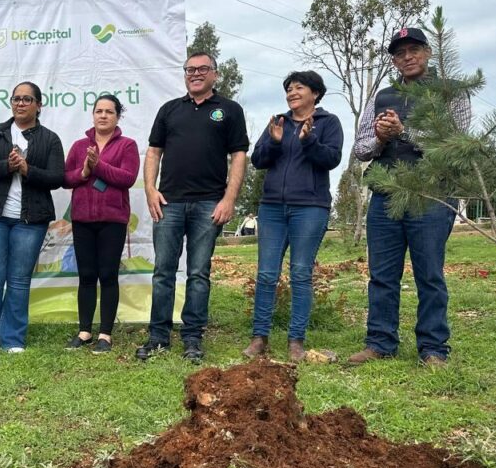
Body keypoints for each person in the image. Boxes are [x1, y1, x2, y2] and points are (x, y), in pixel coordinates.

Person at [349, 27, 471, 367]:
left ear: (429, 52)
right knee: (381, 275)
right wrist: (381, 139)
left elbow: (456, 144)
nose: (407, 56)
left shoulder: (450, 94)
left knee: (429, 274)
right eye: (400, 52)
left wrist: (407, 133)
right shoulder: (381, 96)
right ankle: (380, 342)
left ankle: (433, 349)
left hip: (431, 196)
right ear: (394, 59)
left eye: (414, 49)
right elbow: (360, 148)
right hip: (385, 196)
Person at [138, 52, 249, 363]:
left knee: (199, 273)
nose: (195, 74)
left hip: (208, 204)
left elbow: (238, 155)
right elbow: (153, 152)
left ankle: (192, 338)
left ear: (214, 74)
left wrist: (229, 199)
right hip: (169, 204)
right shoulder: (169, 110)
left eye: (203, 69)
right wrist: (150, 190)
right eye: (190, 69)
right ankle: (158, 336)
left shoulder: (229, 110)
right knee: (163, 272)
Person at [243, 71, 343, 362]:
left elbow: (331, 159)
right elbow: (258, 160)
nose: (292, 92)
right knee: (265, 274)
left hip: (310, 208)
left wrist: (309, 141)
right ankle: (259, 337)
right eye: (288, 88)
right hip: (272, 207)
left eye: (299, 87)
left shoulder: (329, 123)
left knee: (300, 273)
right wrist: (274, 142)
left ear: (315, 93)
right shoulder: (278, 122)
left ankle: (295, 341)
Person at [0, 81, 64, 355]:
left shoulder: (50, 138)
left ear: (38, 105)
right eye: (16, 99)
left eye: (27, 99)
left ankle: (12, 339)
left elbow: (57, 177)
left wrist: (27, 169)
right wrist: (6, 166)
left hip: (30, 220)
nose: (20, 103)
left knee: (20, 280)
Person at [63, 94, 140, 353]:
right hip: (82, 219)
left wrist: (98, 166)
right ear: (93, 114)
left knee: (108, 275)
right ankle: (85, 331)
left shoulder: (127, 145)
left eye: (109, 111)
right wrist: (84, 171)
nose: (103, 115)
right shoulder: (78, 146)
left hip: (113, 220)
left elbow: (127, 177)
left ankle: (105, 334)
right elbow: (66, 178)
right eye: (99, 111)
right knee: (86, 276)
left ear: (118, 116)